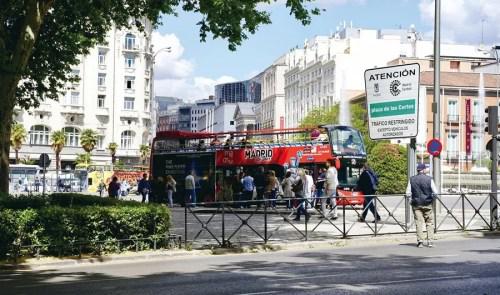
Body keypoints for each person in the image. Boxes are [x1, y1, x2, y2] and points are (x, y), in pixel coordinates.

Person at [406, 163, 438, 248]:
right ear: (423, 170)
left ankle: (420, 242)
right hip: (427, 204)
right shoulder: (429, 179)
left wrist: (410, 201)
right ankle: (430, 241)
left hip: (416, 204)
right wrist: (432, 200)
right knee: (429, 223)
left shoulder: (412, 179)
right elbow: (435, 192)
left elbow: (408, 193)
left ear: (418, 170)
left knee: (418, 223)